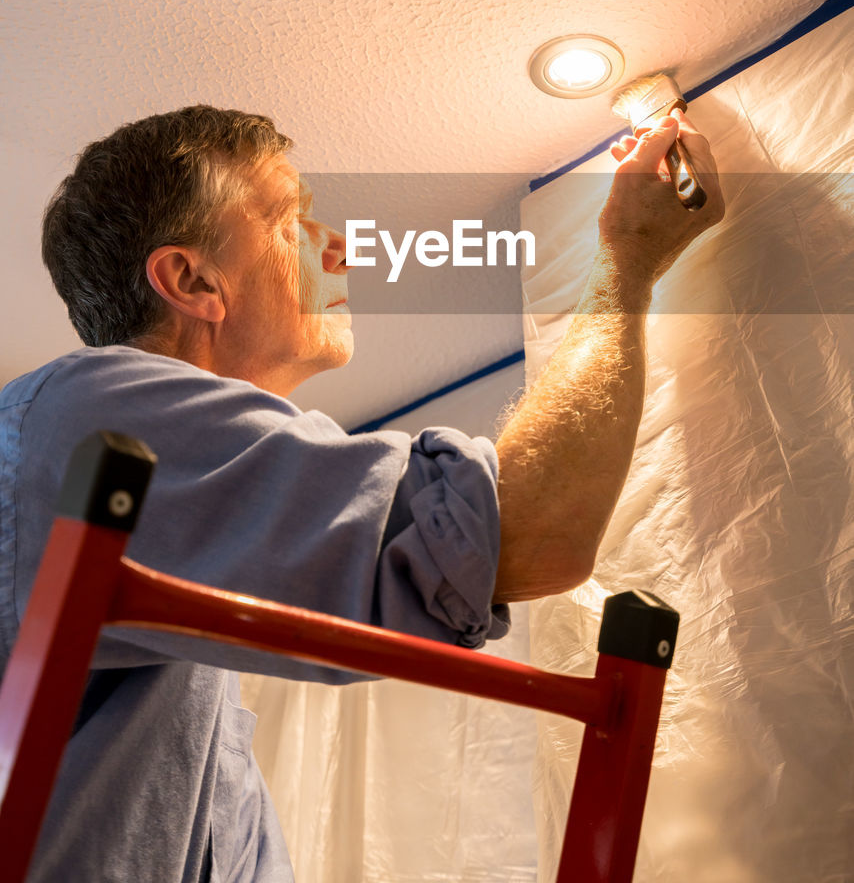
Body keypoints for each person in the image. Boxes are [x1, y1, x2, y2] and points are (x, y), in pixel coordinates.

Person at [0, 103, 723, 882]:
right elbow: (527, 533)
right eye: (290, 222)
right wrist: (629, 257)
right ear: (191, 279)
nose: (340, 250)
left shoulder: (154, 530)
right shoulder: (93, 419)